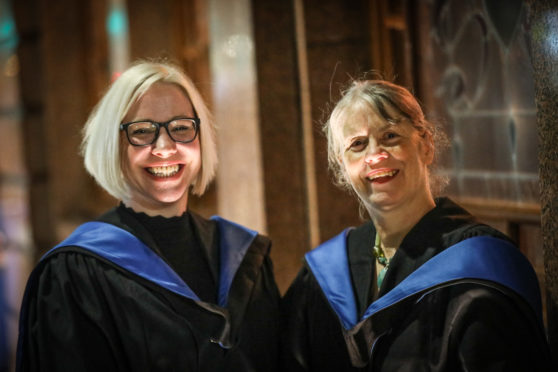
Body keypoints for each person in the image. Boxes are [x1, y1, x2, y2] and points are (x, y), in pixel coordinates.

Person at [16, 60, 280, 372]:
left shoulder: (245, 258)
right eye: (142, 131)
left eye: (181, 128)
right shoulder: (77, 272)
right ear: (112, 145)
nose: (165, 147)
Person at [281, 80, 552, 371]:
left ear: (426, 145)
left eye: (390, 136)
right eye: (357, 145)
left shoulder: (480, 265)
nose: (376, 156)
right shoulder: (325, 275)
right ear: (342, 166)